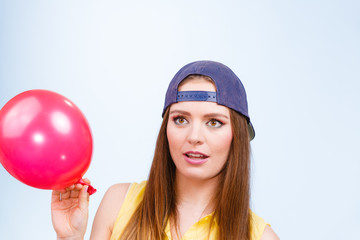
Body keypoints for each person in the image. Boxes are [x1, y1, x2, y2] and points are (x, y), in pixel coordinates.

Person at [51, 61, 279, 240]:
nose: (194, 137)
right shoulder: (118, 203)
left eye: (214, 122)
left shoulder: (260, 237)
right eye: (180, 120)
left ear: (236, 137)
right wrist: (70, 237)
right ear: (166, 130)